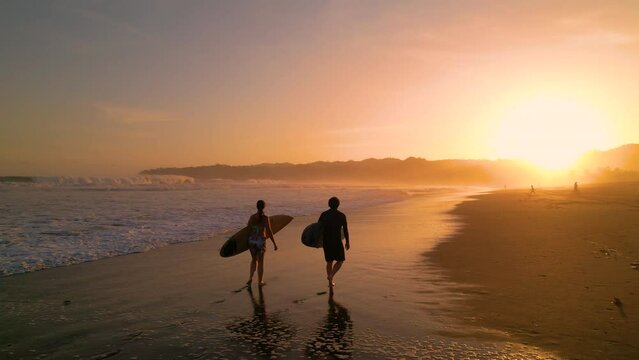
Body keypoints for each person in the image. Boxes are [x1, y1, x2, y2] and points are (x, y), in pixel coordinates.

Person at [318, 197, 350, 288]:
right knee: (340, 260)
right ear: (338, 204)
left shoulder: (324, 214)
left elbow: (318, 228)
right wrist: (347, 242)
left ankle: (330, 281)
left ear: (329, 204)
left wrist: (317, 242)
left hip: (326, 241)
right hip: (337, 241)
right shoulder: (342, 215)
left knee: (329, 261)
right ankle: (331, 275)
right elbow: (346, 230)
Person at [246, 200, 277, 286]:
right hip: (260, 242)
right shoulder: (265, 218)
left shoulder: (252, 217)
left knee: (253, 260)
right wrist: (274, 243)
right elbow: (269, 231)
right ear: (264, 207)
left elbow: (247, 230)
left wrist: (246, 242)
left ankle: (250, 278)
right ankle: (260, 282)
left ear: (256, 206)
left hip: (252, 241)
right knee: (260, 262)